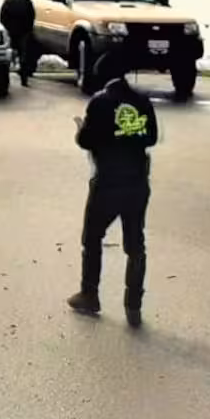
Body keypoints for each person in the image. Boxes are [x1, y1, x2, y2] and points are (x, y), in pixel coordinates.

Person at [67, 50, 159, 328]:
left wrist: (81, 129)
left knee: (92, 238)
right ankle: (134, 305)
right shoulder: (142, 101)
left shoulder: (100, 102)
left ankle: (89, 294)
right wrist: (129, 135)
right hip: (137, 182)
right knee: (135, 244)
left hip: (107, 182)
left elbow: (86, 141)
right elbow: (151, 138)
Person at [0, 0, 38, 84]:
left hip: (12, 31)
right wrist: (29, 28)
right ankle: (24, 77)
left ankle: (6, 75)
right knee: (23, 54)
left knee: (10, 52)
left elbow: (2, 17)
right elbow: (32, 15)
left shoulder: (8, 1)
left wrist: (6, 29)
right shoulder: (26, 0)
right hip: (24, 31)